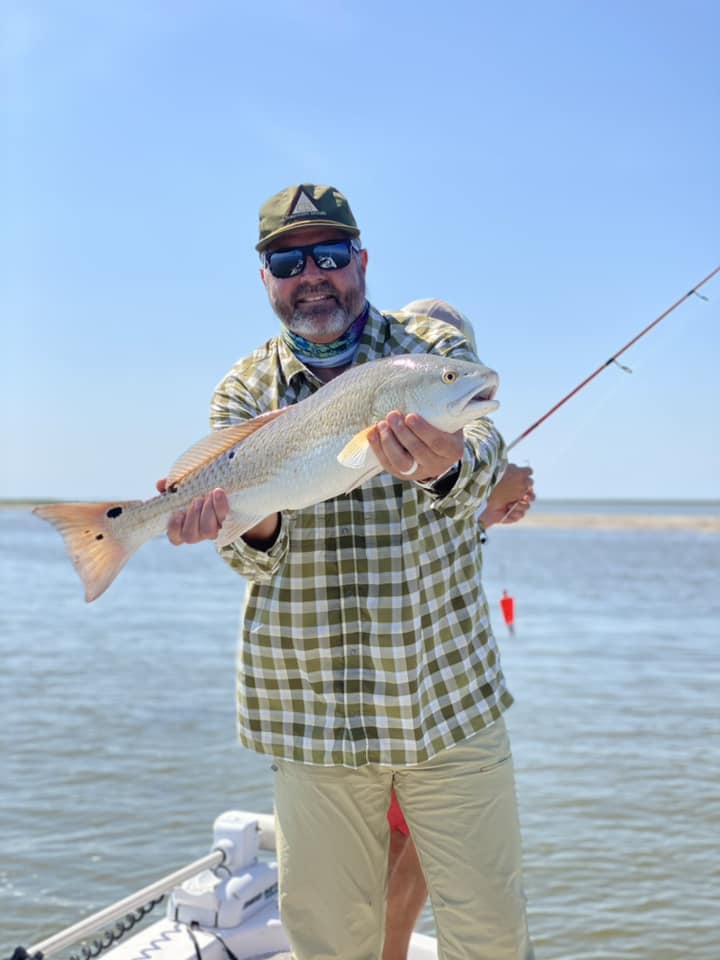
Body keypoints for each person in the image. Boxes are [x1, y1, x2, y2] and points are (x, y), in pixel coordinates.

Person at [164, 184, 535, 960]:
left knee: (492, 936)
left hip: (447, 701)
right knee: (333, 945)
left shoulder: (423, 348)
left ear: (361, 261)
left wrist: (448, 467)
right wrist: (247, 520)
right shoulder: (243, 390)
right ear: (265, 277)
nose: (313, 275)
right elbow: (247, 556)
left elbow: (486, 443)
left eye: (330, 255)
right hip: (310, 714)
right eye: (288, 260)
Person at [381, 300, 534, 960]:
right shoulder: (406, 438)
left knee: (402, 841)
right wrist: (495, 492)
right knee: (400, 843)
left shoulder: (452, 447)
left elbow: (430, 542)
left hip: (422, 688)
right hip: (407, 694)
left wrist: (487, 509)